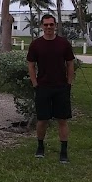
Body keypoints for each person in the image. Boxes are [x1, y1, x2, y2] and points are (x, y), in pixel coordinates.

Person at [26, 13, 75, 163]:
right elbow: (31, 65)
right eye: (46, 24)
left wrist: (69, 83)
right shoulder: (36, 44)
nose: (48, 27)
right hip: (43, 87)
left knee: (62, 120)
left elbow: (70, 63)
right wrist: (35, 83)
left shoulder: (63, 43)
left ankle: (64, 152)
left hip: (61, 87)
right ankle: (40, 147)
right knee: (42, 120)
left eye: (51, 24)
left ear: (55, 26)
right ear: (42, 26)